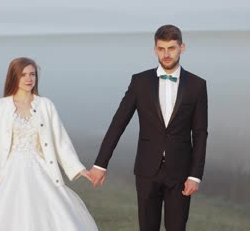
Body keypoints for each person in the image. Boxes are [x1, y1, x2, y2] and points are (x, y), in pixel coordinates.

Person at [89, 25, 208, 231]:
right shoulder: (140, 82)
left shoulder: (197, 85)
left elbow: (200, 133)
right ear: (155, 49)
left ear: (182, 47)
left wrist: (195, 175)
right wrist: (101, 164)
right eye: (161, 49)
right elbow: (119, 123)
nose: (166, 54)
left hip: (180, 173)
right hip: (147, 171)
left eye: (171, 48)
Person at [0, 57, 98, 231]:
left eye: (32, 74)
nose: (29, 79)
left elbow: (59, 139)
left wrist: (77, 168)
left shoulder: (46, 105)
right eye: (23, 75)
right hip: (6, 173)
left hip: (41, 170)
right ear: (13, 77)